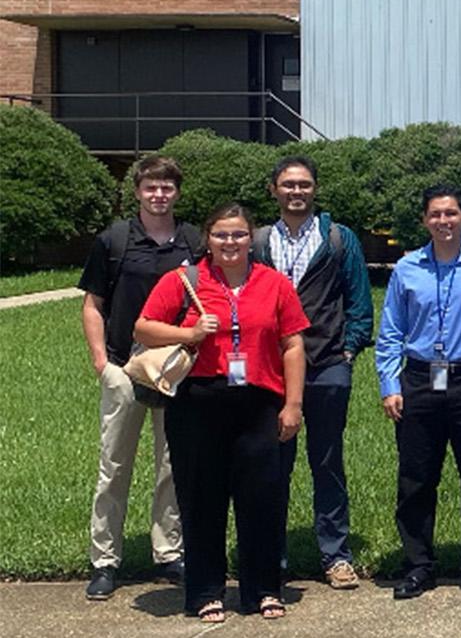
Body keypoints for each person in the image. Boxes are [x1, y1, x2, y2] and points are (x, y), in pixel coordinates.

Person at [133, 204, 306, 622]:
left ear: (252, 239)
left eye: (239, 235)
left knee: (262, 500)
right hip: (198, 403)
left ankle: (263, 589)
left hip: (259, 402)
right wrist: (188, 333)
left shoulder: (275, 283)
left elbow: (294, 345)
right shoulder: (183, 280)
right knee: (201, 499)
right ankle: (205, 591)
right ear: (207, 239)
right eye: (222, 235)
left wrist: (294, 405)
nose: (231, 243)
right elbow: (143, 327)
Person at [376, 185, 461, 600]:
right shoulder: (407, 268)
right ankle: (418, 565)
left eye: (451, 213)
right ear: (424, 221)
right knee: (415, 479)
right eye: (435, 215)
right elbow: (391, 331)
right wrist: (389, 385)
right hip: (419, 380)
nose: (443, 222)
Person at [78, 154, 194, 601]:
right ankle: (105, 560)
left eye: (167, 187)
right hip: (124, 366)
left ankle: (169, 552)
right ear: (138, 191)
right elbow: (93, 304)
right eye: (151, 187)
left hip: (174, 370)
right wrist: (100, 363)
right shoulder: (115, 239)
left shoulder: (191, 242)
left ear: (177, 192)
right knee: (114, 465)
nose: (159, 195)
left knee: (172, 465)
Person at [256, 155, 372, 590]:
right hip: (270, 370)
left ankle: (336, 555)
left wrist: (348, 352)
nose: (296, 192)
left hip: (326, 364)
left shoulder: (339, 240)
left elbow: (359, 302)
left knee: (327, 462)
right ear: (274, 190)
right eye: (288, 184)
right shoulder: (259, 241)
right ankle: (272, 555)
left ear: (315, 189)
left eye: (304, 184)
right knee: (272, 465)